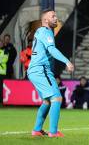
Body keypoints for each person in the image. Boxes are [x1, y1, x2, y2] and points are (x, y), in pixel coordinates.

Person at [27, 9, 74, 137]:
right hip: (40, 69)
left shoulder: (42, 32)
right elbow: (52, 49)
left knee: (47, 101)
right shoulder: (45, 31)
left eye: (55, 16)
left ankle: (37, 130)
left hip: (35, 70)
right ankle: (53, 132)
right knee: (57, 98)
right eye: (53, 16)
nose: (56, 18)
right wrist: (67, 62)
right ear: (45, 20)